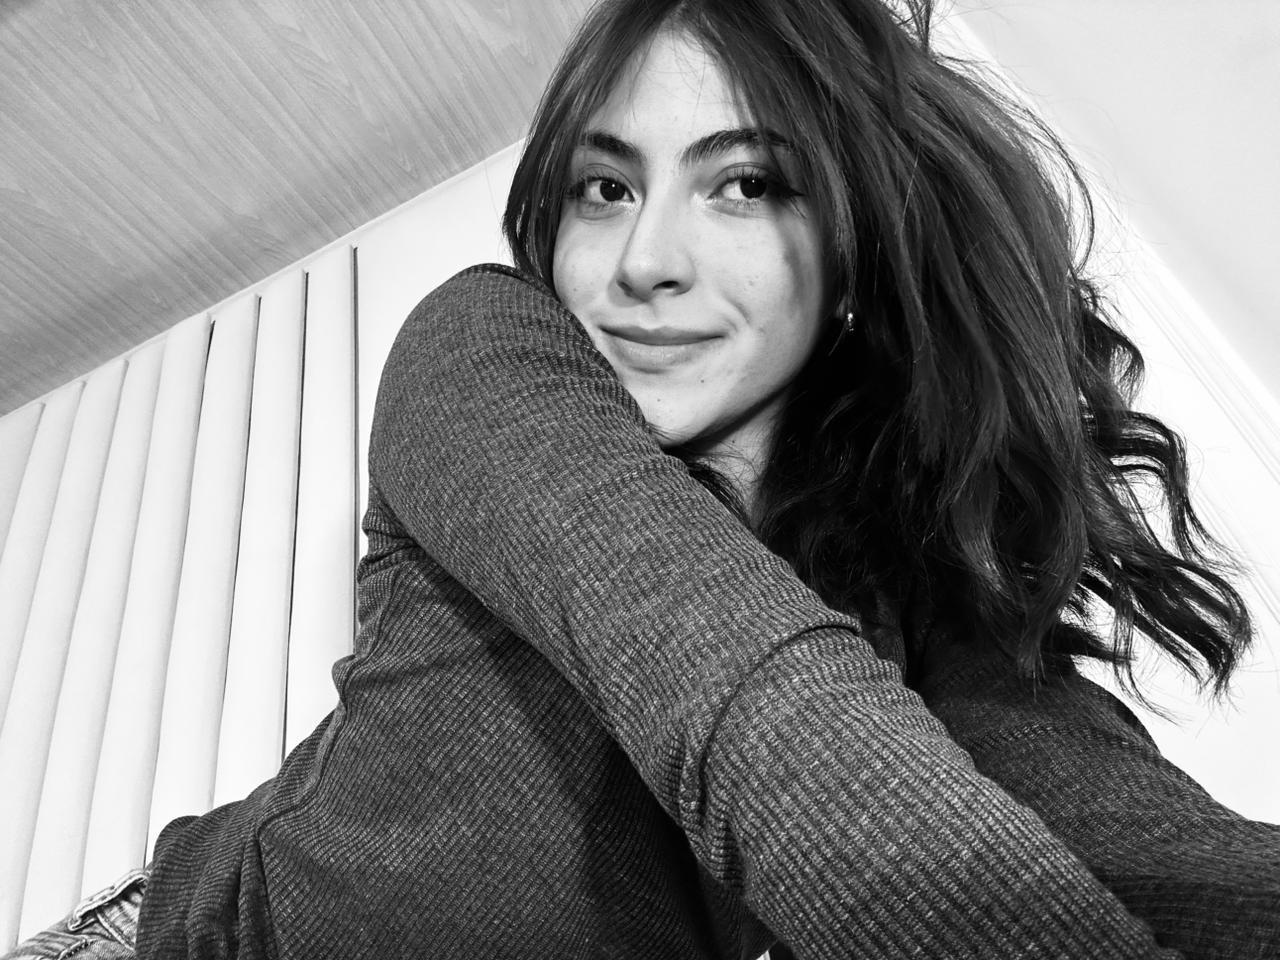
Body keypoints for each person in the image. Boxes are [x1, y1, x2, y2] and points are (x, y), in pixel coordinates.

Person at [7, 0, 1280, 957]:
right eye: (604, 186)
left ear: (850, 255)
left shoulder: (918, 611)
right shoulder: (485, 351)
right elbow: (757, 715)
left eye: (743, 184)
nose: (642, 259)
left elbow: (1131, 846)